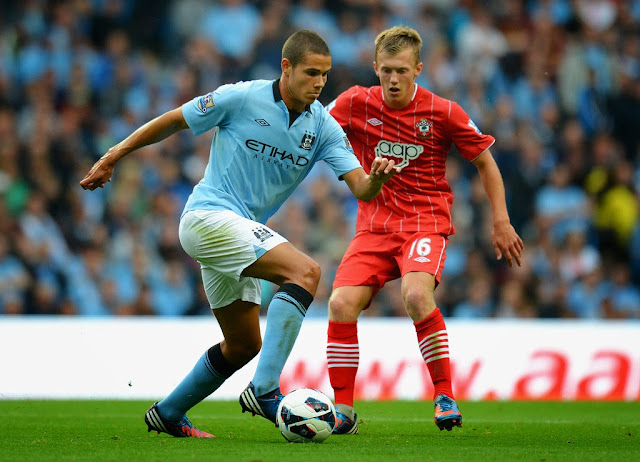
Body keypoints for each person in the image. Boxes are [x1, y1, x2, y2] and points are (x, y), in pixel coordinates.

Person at [80, 30, 399, 438]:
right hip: (207, 218)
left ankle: (168, 413)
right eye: (311, 73)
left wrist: (376, 178)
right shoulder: (242, 97)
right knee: (305, 273)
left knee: (244, 345)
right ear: (286, 67)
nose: (320, 83)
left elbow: (359, 186)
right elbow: (173, 121)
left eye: (325, 75)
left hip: (239, 235)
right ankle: (265, 390)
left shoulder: (323, 126)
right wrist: (113, 155)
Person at [325, 26, 524, 434]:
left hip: (424, 223)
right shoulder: (353, 103)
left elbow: (485, 162)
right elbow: (312, 134)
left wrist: (500, 220)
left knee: (416, 294)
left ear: (418, 68)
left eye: (401, 70)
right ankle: (342, 411)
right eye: (386, 71)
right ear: (374, 67)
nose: (393, 79)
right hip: (374, 226)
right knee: (340, 304)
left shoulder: (443, 111)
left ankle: (444, 394)